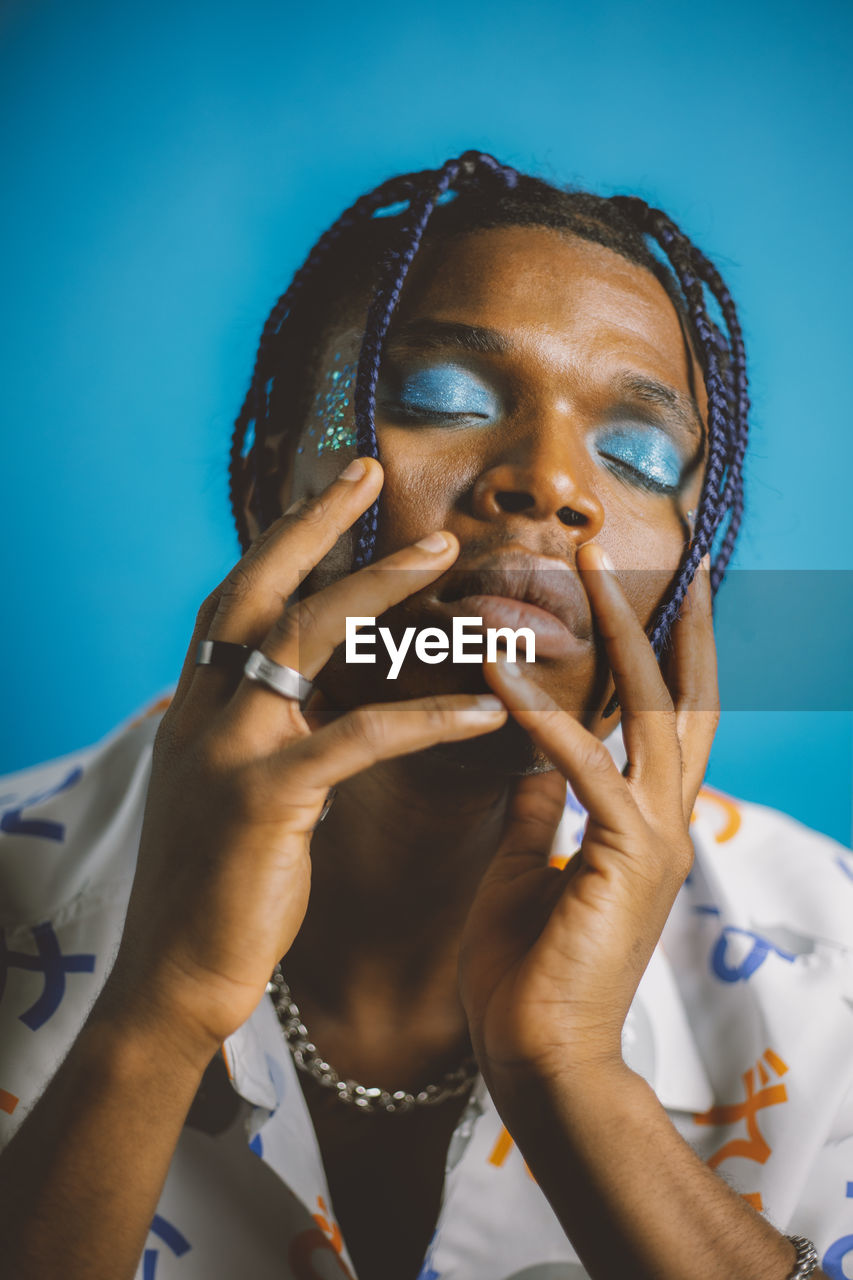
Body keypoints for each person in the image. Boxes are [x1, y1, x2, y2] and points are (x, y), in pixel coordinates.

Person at [1, 151, 851, 1280]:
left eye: (638, 457)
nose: (553, 484)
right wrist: (158, 1012)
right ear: (267, 483)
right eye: (445, 397)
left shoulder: (830, 970)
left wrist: (575, 1075)